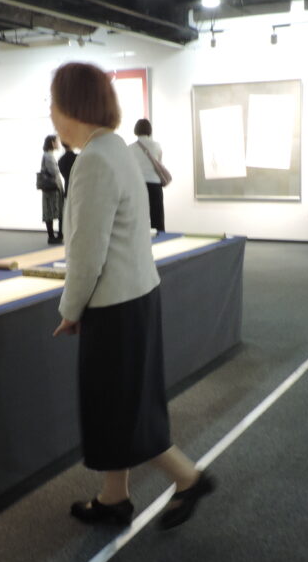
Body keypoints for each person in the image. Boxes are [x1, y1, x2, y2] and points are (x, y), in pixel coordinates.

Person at [49, 62, 214, 530]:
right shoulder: (115, 150)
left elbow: (87, 253)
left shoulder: (93, 161)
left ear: (72, 106)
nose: (51, 114)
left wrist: (69, 310)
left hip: (114, 306)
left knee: (120, 406)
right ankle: (114, 496)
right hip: (136, 295)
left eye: (54, 104)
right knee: (120, 403)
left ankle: (187, 477)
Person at [129, 118, 166, 235]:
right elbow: (160, 164)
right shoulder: (156, 146)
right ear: (149, 130)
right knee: (158, 220)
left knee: (139, 220)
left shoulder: (130, 148)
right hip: (155, 186)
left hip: (138, 186)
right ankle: (161, 242)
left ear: (136, 130)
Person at [40, 134, 64, 244]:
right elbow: (54, 171)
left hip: (50, 188)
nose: (58, 144)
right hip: (53, 188)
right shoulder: (49, 156)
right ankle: (55, 236)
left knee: (49, 211)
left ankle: (53, 236)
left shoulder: (47, 155)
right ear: (52, 143)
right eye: (57, 142)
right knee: (55, 210)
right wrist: (59, 168)